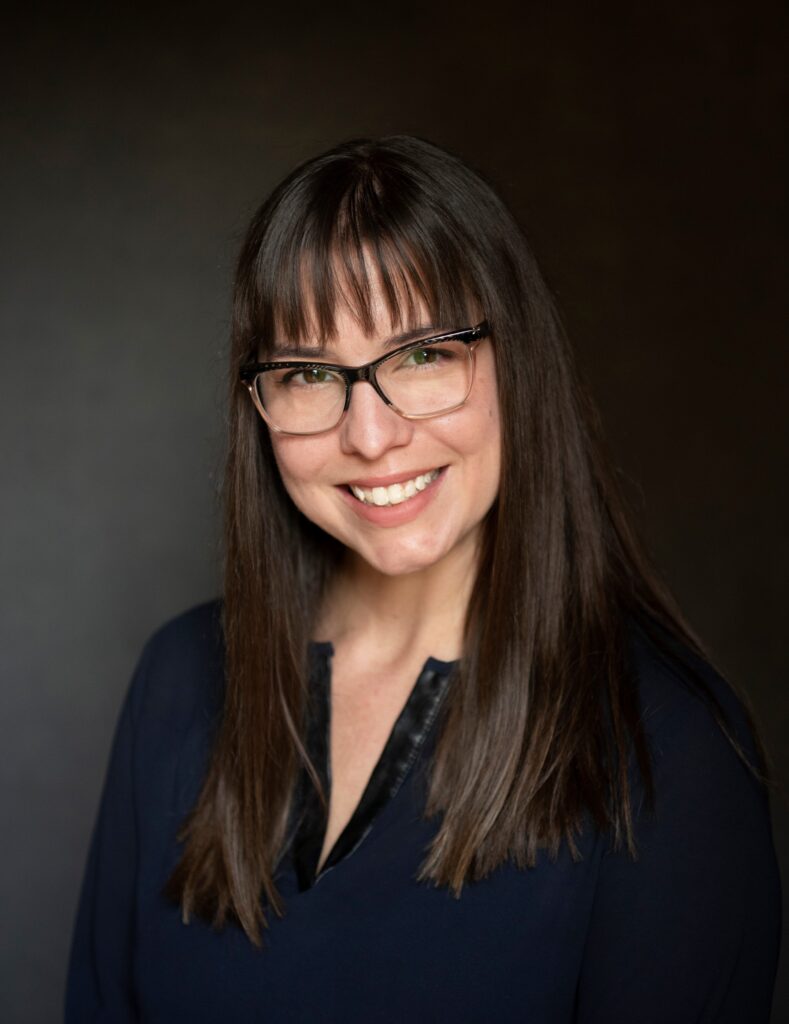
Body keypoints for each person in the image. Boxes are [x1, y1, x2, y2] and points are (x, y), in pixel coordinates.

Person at [65, 135, 781, 1022]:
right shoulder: (178, 682)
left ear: (516, 361)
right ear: (258, 404)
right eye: (309, 373)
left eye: (422, 355)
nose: (369, 436)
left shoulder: (667, 747)